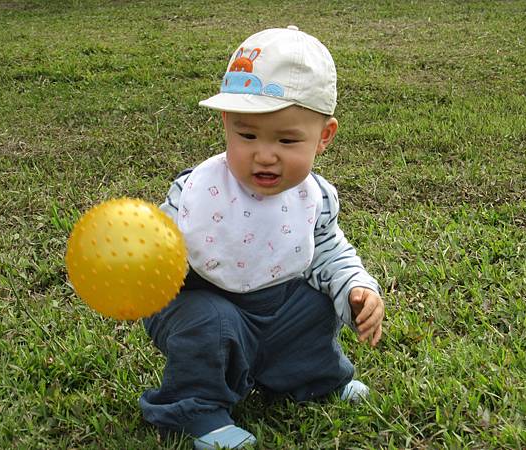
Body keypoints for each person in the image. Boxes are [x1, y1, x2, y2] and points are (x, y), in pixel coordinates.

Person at [139, 25, 384, 449]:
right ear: (226, 124)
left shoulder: (316, 199)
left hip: (274, 305)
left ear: (323, 137)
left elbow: (329, 252)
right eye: (247, 135)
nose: (264, 154)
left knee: (312, 305)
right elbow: (160, 244)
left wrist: (357, 288)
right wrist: (150, 265)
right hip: (200, 302)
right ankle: (194, 411)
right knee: (212, 324)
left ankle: (315, 379)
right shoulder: (196, 190)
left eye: (287, 140)